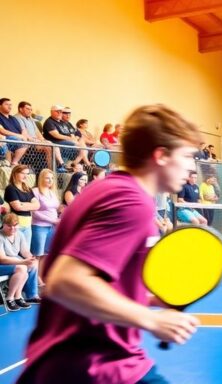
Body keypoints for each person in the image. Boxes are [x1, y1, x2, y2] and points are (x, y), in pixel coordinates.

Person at [17, 104, 202, 383]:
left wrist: (148, 298)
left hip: (72, 364)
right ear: (161, 155)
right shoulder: (132, 202)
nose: (191, 167)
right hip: (96, 367)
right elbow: (65, 281)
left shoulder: (106, 189)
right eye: (187, 156)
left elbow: (98, 280)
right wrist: (152, 320)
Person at [0, 213, 40, 311]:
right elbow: (2, 259)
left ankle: (24, 297)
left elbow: (24, 251)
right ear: (3, 224)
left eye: (15, 225)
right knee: (21, 267)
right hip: (2, 264)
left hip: (15, 261)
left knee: (33, 265)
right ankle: (10, 298)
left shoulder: (19, 234)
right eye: (9, 226)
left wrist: (31, 258)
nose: (13, 228)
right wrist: (22, 262)